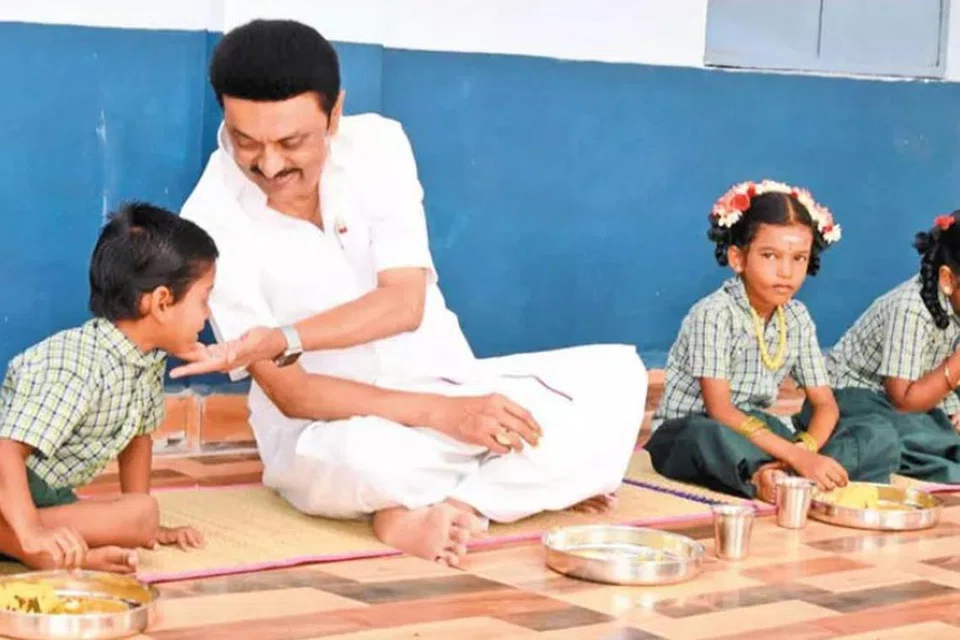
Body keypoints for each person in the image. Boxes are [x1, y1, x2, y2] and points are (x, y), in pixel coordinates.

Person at [174, 19, 647, 566]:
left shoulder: (379, 145)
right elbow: (293, 395)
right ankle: (511, 486)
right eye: (246, 142)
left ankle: (437, 506)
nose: (270, 164)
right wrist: (444, 416)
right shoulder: (208, 219)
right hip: (333, 429)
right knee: (366, 462)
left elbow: (404, 303)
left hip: (450, 385)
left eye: (292, 142)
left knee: (617, 382)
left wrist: (286, 337)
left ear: (334, 112)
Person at [645, 180, 900, 502]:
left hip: (759, 430)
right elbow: (720, 410)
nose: (786, 272)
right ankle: (764, 475)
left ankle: (780, 474)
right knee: (705, 437)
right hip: (697, 430)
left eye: (799, 258)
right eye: (770, 256)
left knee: (878, 433)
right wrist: (796, 455)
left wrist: (804, 448)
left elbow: (825, 404)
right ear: (738, 258)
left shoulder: (797, 317)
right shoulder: (713, 313)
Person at [0, 203, 209, 573]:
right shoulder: (77, 365)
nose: (207, 315)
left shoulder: (146, 363)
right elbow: (6, 449)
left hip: (43, 495)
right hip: (8, 479)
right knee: (133, 517)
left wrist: (142, 522)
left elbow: (137, 439)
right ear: (161, 302)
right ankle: (26, 545)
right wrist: (31, 532)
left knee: (140, 514)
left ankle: (32, 543)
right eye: (204, 299)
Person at [825, 211, 960, 483]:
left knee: (928, 434)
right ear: (947, 280)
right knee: (901, 440)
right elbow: (904, 401)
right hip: (855, 398)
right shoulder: (911, 308)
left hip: (921, 405)